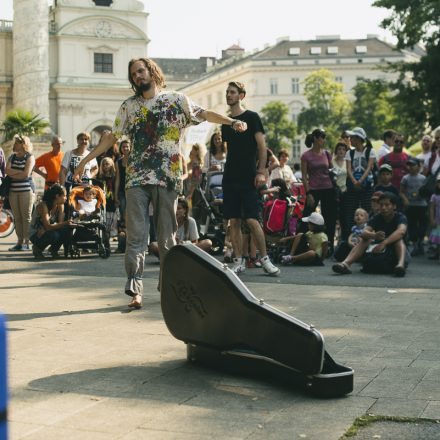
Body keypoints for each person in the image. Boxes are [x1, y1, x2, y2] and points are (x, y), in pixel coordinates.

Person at [74, 58, 247, 309]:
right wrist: (84, 161)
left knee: (167, 238)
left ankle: (168, 286)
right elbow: (111, 137)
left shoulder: (176, 100)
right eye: (133, 74)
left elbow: (205, 113)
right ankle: (136, 288)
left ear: (152, 72)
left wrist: (232, 122)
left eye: (141, 71)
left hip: (166, 177)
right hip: (136, 178)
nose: (137, 77)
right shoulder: (129, 106)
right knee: (136, 235)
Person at [221, 80, 280, 276]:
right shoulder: (226, 123)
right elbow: (230, 151)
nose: (228, 95)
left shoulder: (252, 117)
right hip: (230, 177)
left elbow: (261, 147)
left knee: (253, 220)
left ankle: (264, 259)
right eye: (227, 92)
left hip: (249, 177)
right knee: (234, 221)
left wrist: (261, 171)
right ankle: (238, 261)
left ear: (241, 95)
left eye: (232, 92)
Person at [332, 192, 409, 277]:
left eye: (387, 205)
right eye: (381, 205)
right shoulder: (376, 217)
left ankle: (400, 266)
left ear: (394, 206)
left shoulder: (400, 217)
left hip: (397, 252)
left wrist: (384, 243)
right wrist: (374, 236)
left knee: (398, 240)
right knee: (366, 239)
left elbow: (401, 231)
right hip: (380, 251)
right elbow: (364, 232)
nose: (383, 208)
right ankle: (345, 264)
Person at [300, 128, 337, 253]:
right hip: (314, 189)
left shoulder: (326, 153)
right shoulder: (306, 156)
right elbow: (304, 176)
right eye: (322, 136)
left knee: (330, 218)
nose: (324, 139)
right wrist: (308, 193)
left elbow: (332, 170)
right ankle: (301, 244)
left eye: (324, 136)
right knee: (307, 216)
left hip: (328, 188)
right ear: (315, 138)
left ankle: (328, 246)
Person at [6, 134, 35, 251]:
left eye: (16, 143)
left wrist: (14, 173)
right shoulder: (11, 157)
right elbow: (6, 171)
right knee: (17, 217)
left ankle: (27, 242)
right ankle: (19, 242)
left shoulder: (30, 157)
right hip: (13, 191)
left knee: (26, 217)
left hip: (26, 191)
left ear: (23, 144)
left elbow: (26, 174)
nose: (14, 145)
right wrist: (19, 173)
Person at [343, 127, 375, 233]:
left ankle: (368, 233)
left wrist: (360, 180)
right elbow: (348, 169)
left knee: (367, 209)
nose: (350, 139)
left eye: (352, 137)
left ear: (358, 138)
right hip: (353, 186)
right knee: (351, 211)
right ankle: (350, 235)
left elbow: (369, 167)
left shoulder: (370, 151)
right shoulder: (350, 153)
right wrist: (354, 181)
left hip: (366, 186)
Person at [29, 184, 73, 258]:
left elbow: (60, 224)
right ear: (57, 196)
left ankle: (53, 250)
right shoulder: (43, 206)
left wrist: (67, 224)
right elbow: (48, 227)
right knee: (54, 235)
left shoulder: (61, 205)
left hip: (46, 230)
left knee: (65, 230)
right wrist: (66, 223)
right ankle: (37, 248)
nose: (66, 198)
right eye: (64, 195)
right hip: (35, 233)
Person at [400, 158, 427, 256]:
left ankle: (420, 241)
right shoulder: (405, 178)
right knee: (412, 225)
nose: (410, 167)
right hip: (410, 205)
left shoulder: (423, 178)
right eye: (409, 165)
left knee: (423, 225)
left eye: (413, 165)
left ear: (418, 166)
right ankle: (416, 244)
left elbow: (427, 191)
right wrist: (405, 199)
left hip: (422, 205)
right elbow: (401, 191)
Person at [97, 157, 118, 237]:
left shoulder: (115, 176)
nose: (105, 166)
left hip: (112, 200)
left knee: (113, 220)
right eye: (104, 164)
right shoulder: (99, 177)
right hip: (103, 201)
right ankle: (105, 239)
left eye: (107, 164)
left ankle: (111, 235)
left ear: (112, 165)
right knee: (105, 220)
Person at [332, 142, 348, 239]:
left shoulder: (348, 162)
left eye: (343, 149)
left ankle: (343, 239)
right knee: (333, 217)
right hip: (333, 192)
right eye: (339, 149)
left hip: (345, 192)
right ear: (336, 151)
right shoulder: (331, 161)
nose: (341, 151)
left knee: (344, 217)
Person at [114, 140, 130, 228]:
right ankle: (125, 232)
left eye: (127, 146)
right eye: (123, 146)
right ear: (120, 148)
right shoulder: (118, 162)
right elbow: (117, 179)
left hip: (132, 190)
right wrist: (116, 195)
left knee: (132, 212)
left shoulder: (133, 160)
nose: (125, 148)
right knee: (123, 211)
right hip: (122, 191)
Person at [428, 175, 440, 260]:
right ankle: (438, 254)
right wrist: (432, 219)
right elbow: (432, 209)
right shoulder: (434, 196)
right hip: (438, 220)